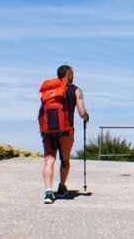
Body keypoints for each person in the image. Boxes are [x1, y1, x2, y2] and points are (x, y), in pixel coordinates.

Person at [41, 64, 89, 204]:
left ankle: (48, 193)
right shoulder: (76, 90)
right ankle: (62, 187)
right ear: (68, 75)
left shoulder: (49, 89)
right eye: (72, 74)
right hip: (66, 131)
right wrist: (86, 117)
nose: (73, 76)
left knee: (49, 160)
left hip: (48, 131)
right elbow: (82, 113)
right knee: (65, 160)